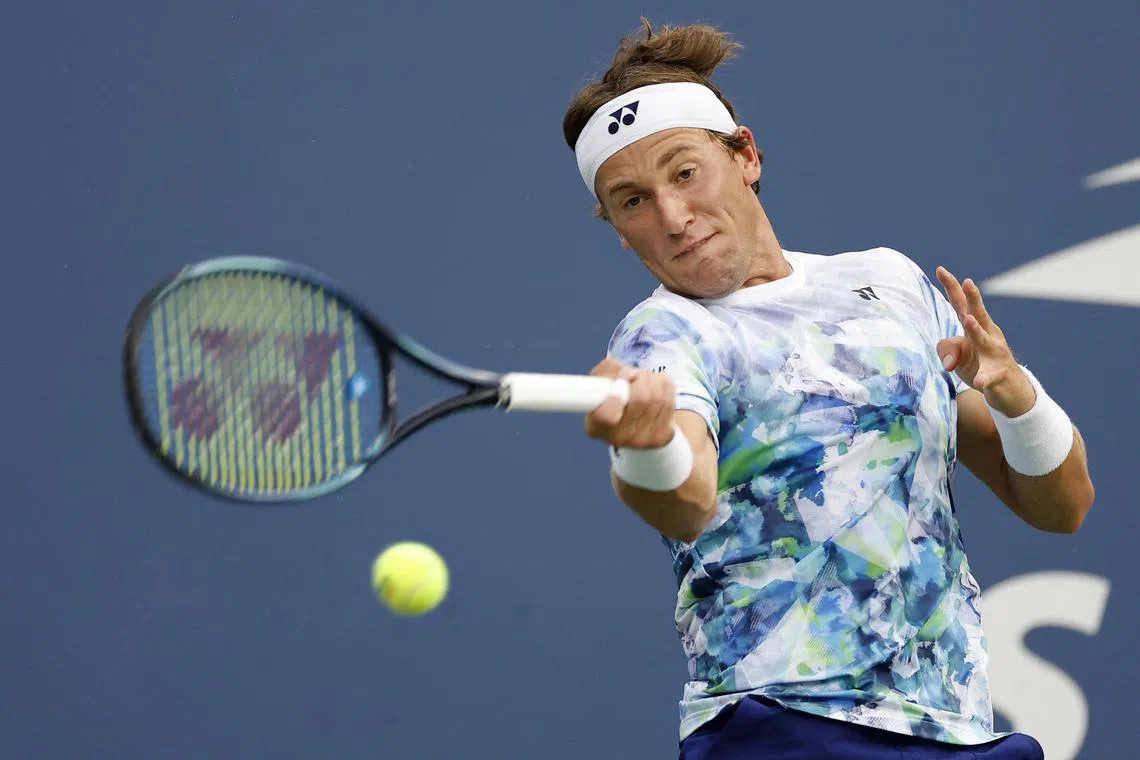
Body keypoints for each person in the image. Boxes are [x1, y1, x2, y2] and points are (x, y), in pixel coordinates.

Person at [562, 19, 1095, 760]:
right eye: (632, 201)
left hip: (957, 731)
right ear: (619, 230)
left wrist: (1016, 397)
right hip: (783, 727)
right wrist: (648, 447)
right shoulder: (663, 334)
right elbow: (683, 502)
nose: (673, 218)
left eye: (684, 173)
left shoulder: (889, 282)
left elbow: (1063, 507)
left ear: (745, 156)